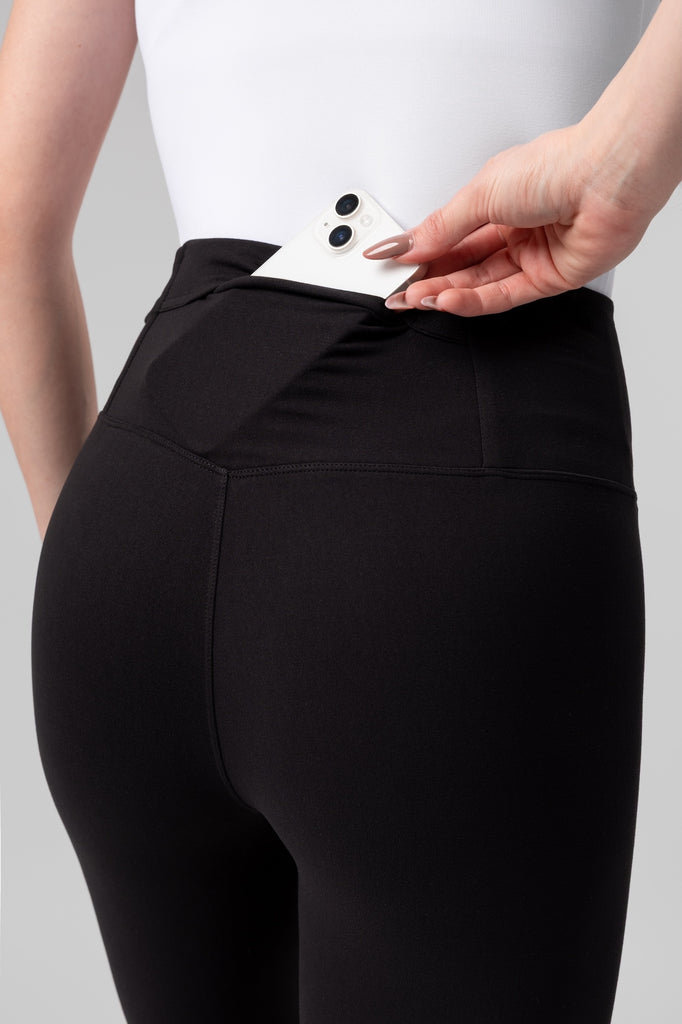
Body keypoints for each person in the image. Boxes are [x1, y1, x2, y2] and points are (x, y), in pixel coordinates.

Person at [0, 0, 679, 1021]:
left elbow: (10, 226)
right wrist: (626, 153)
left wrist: (101, 558)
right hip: (451, 515)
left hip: (135, 517)